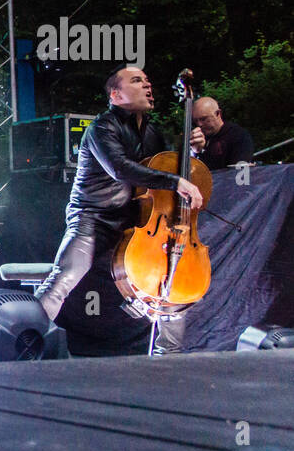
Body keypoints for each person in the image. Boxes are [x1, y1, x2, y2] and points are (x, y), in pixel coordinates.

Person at [34, 66, 205, 355]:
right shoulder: (102, 128)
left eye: (148, 81)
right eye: (137, 81)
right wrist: (177, 181)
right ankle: (26, 340)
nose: (147, 85)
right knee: (67, 274)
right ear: (116, 94)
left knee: (173, 280)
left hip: (136, 220)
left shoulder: (154, 133)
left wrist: (191, 154)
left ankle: (168, 358)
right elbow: (120, 169)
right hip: (92, 217)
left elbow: (169, 169)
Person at [192, 96, 255, 170]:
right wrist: (196, 152)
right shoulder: (197, 138)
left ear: (218, 114)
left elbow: (238, 172)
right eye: (196, 121)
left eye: (204, 119)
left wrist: (203, 153)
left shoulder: (238, 136)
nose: (199, 124)